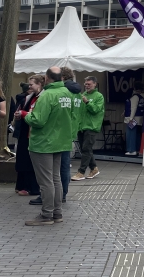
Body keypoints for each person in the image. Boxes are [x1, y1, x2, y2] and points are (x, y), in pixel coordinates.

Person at [24, 67, 76, 226]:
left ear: (47, 78)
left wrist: (26, 116)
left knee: (45, 181)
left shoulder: (47, 95)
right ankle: (57, 212)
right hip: (61, 141)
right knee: (56, 179)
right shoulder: (68, 94)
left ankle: (46, 215)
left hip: (44, 143)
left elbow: (38, 120)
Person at [14, 75, 43, 197]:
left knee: (30, 161)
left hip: (34, 133)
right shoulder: (28, 98)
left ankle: (32, 187)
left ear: (40, 84)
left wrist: (24, 114)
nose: (29, 87)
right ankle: (21, 185)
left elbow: (36, 116)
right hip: (24, 131)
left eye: (32, 84)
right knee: (22, 158)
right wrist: (18, 115)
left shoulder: (41, 98)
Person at [71, 76, 105, 181]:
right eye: (85, 84)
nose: (87, 86)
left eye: (89, 84)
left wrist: (87, 102)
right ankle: (94, 168)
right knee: (85, 149)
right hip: (82, 126)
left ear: (95, 84)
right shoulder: (83, 95)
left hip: (92, 126)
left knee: (86, 149)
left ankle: (81, 172)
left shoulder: (99, 96)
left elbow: (96, 110)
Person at [58, 67, 82, 202]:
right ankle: (64, 193)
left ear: (62, 77)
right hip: (72, 131)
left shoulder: (64, 91)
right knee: (65, 165)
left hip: (61, 131)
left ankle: (60, 194)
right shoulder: (78, 93)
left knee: (59, 166)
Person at [124, 81, 144, 156]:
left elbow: (133, 108)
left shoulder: (135, 97)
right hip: (139, 117)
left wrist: (131, 118)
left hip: (133, 118)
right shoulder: (142, 97)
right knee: (137, 134)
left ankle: (131, 150)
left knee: (130, 134)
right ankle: (137, 149)